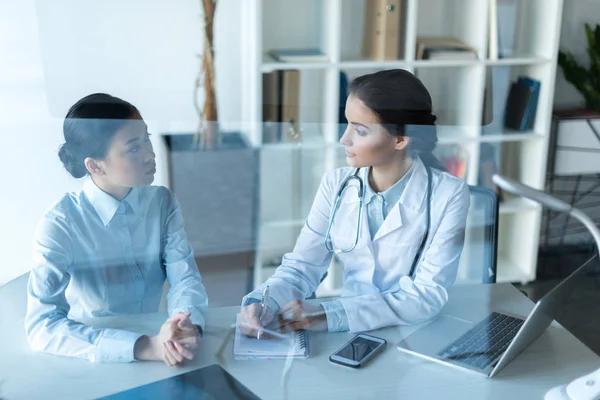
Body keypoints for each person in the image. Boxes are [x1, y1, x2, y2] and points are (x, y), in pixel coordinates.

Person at [239, 69, 470, 336]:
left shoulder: (449, 194)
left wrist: (329, 314)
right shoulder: (335, 185)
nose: (344, 139)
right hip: (349, 329)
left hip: (414, 332)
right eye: (346, 124)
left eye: (359, 130)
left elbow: (427, 295)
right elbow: (302, 267)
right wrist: (262, 302)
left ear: (400, 139)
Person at [25, 93, 208, 366]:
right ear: (95, 165)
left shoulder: (162, 202)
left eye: (146, 138)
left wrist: (183, 323)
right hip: (90, 358)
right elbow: (41, 325)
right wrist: (145, 346)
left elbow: (185, 279)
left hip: (162, 344)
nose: (150, 154)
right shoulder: (60, 224)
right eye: (134, 148)